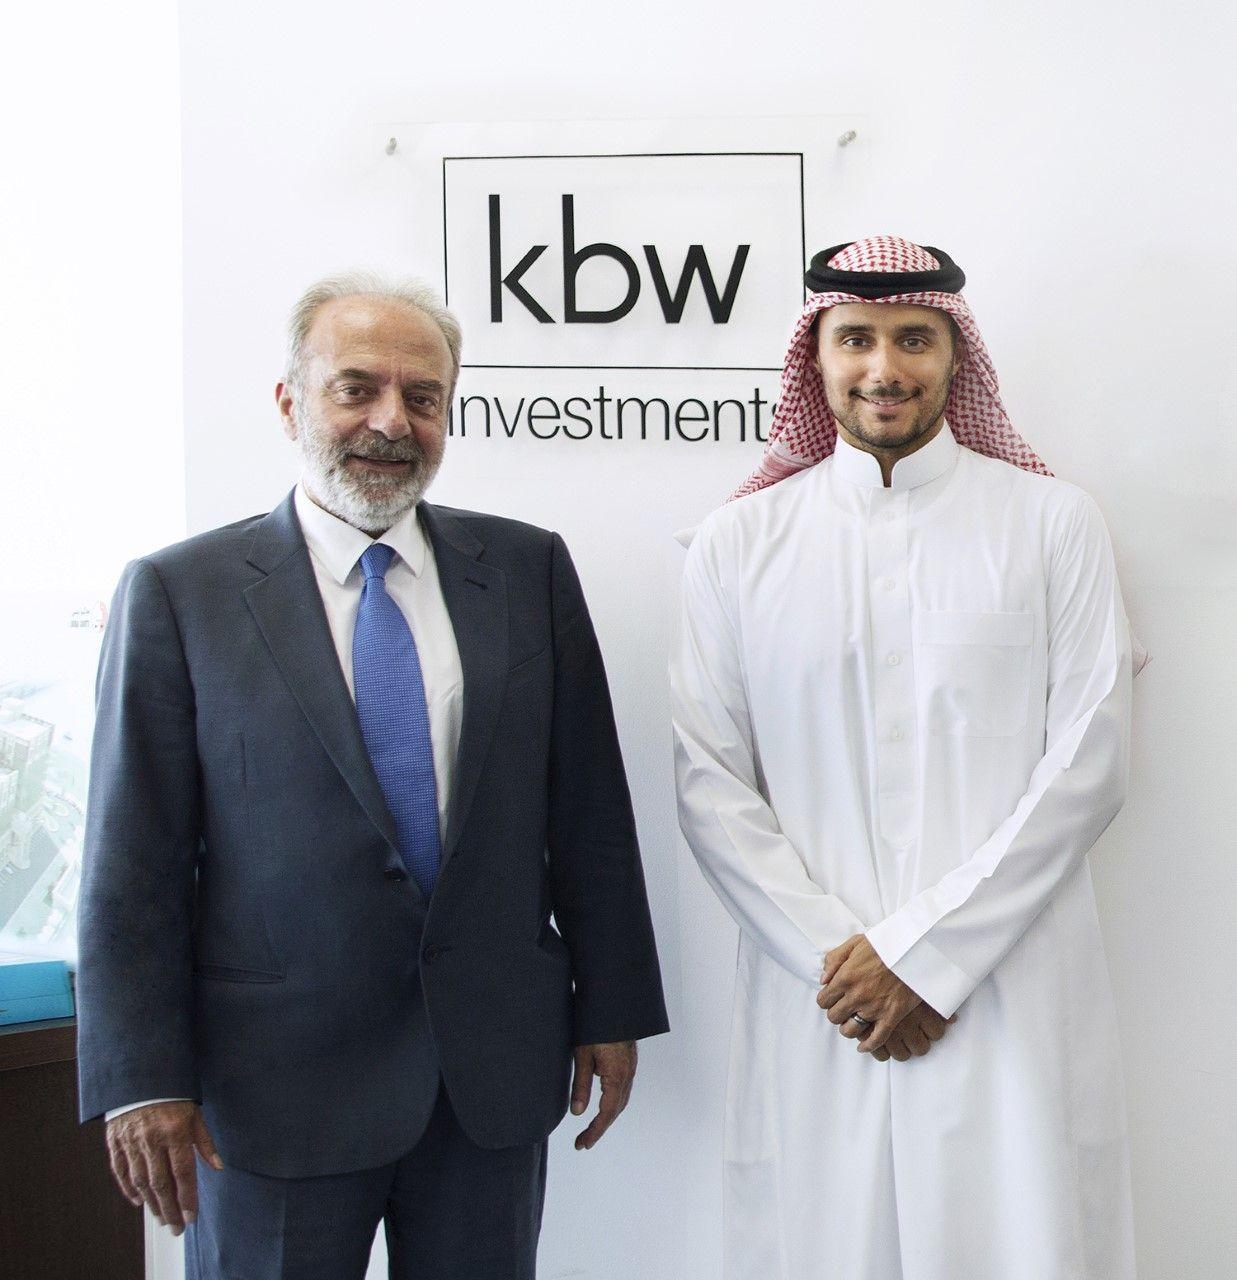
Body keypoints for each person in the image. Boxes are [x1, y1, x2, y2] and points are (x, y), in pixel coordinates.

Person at [77, 271, 668, 1280]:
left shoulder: (525, 571)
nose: (392, 421)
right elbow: (132, 859)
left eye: (422, 396)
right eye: (356, 388)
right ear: (289, 402)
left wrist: (612, 1007)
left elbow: (588, 815)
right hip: (267, 1088)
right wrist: (140, 1076)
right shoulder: (181, 593)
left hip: (485, 1076)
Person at [672, 236, 1140, 1279]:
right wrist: (849, 967)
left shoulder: (1051, 523)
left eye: (914, 339)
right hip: (821, 1002)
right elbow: (710, 782)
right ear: (815, 356)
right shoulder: (737, 544)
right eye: (856, 339)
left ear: (956, 355)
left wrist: (928, 959)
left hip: (1005, 992)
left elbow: (1091, 761)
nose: (883, 368)